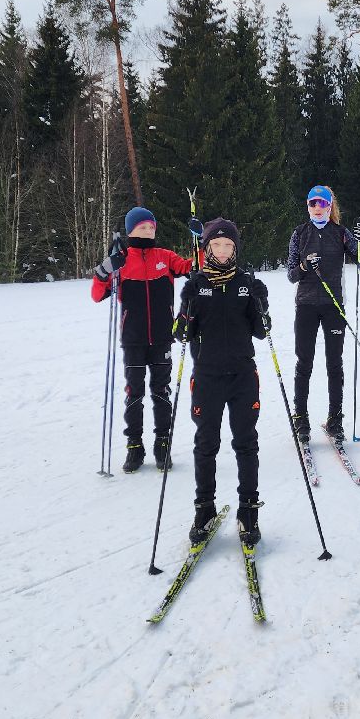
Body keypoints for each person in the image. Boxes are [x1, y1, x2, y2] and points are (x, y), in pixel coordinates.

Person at [174, 218, 270, 546]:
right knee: (206, 444)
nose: (224, 250)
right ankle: (204, 510)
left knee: (246, 443)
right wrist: (186, 308)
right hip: (208, 376)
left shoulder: (246, 282)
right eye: (217, 245)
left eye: (229, 245)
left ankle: (248, 511)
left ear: (236, 249)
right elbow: (180, 334)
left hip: (243, 375)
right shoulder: (196, 284)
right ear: (207, 249)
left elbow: (261, 331)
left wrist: (261, 303)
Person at [91, 206, 193, 473]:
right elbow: (96, 294)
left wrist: (200, 241)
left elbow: (194, 268)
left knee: (161, 392)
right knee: (134, 395)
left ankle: (162, 443)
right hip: (133, 339)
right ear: (130, 230)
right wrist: (104, 270)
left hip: (161, 338)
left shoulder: (165, 256)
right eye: (142, 227)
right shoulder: (121, 260)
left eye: (151, 227)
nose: (148, 231)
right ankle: (134, 446)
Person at [286, 185, 360, 444]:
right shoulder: (300, 233)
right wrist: (304, 265)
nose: (317, 208)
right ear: (308, 206)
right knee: (304, 363)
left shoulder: (340, 233)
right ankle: (301, 419)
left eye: (322, 203)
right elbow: (292, 274)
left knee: (334, 364)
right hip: (306, 306)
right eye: (312, 203)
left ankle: (335, 420)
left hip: (334, 306)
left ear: (329, 206)